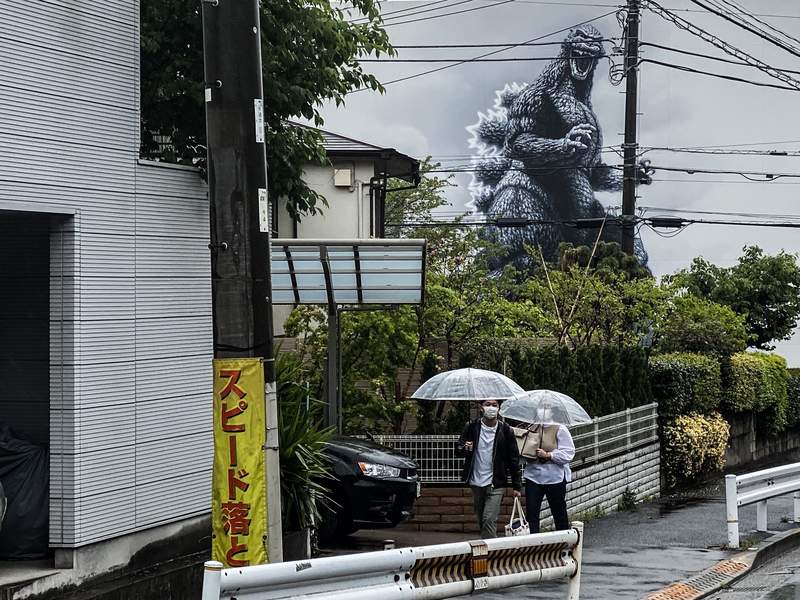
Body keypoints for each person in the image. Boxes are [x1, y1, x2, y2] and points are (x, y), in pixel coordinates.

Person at [456, 399, 522, 538]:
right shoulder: (471, 426)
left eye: (494, 405)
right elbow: (458, 450)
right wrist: (466, 448)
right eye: (487, 404)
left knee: (488, 519)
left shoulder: (506, 430)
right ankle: (488, 548)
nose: (491, 408)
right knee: (482, 520)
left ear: (499, 408)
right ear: (481, 407)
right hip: (476, 481)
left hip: (496, 482)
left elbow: (513, 459)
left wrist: (517, 486)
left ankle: (491, 554)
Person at [524, 399, 575, 533]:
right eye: (541, 407)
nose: (543, 410)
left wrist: (549, 455)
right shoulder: (532, 427)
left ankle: (563, 541)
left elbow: (568, 453)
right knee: (532, 513)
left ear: (553, 411)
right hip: (533, 476)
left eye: (547, 407)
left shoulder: (560, 428)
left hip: (554, 477)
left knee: (559, 512)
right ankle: (533, 544)